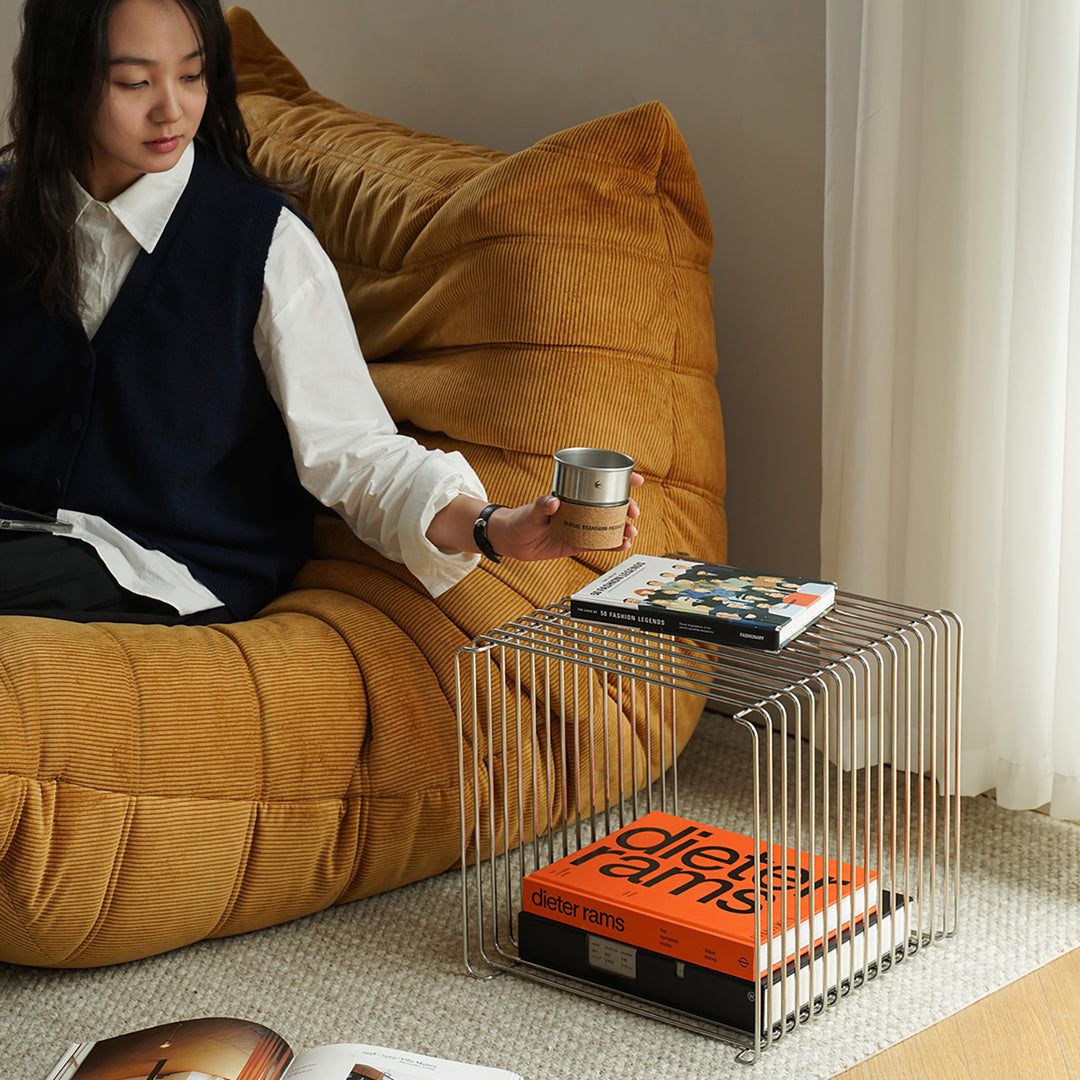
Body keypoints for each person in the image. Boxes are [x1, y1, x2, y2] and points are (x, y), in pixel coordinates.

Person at [0, 0, 641, 625]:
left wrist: (492, 526)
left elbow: (352, 450)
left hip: (164, 565)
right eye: (135, 82)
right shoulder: (14, 206)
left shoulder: (263, 243)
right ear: (65, 79)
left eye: (192, 75)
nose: (172, 108)